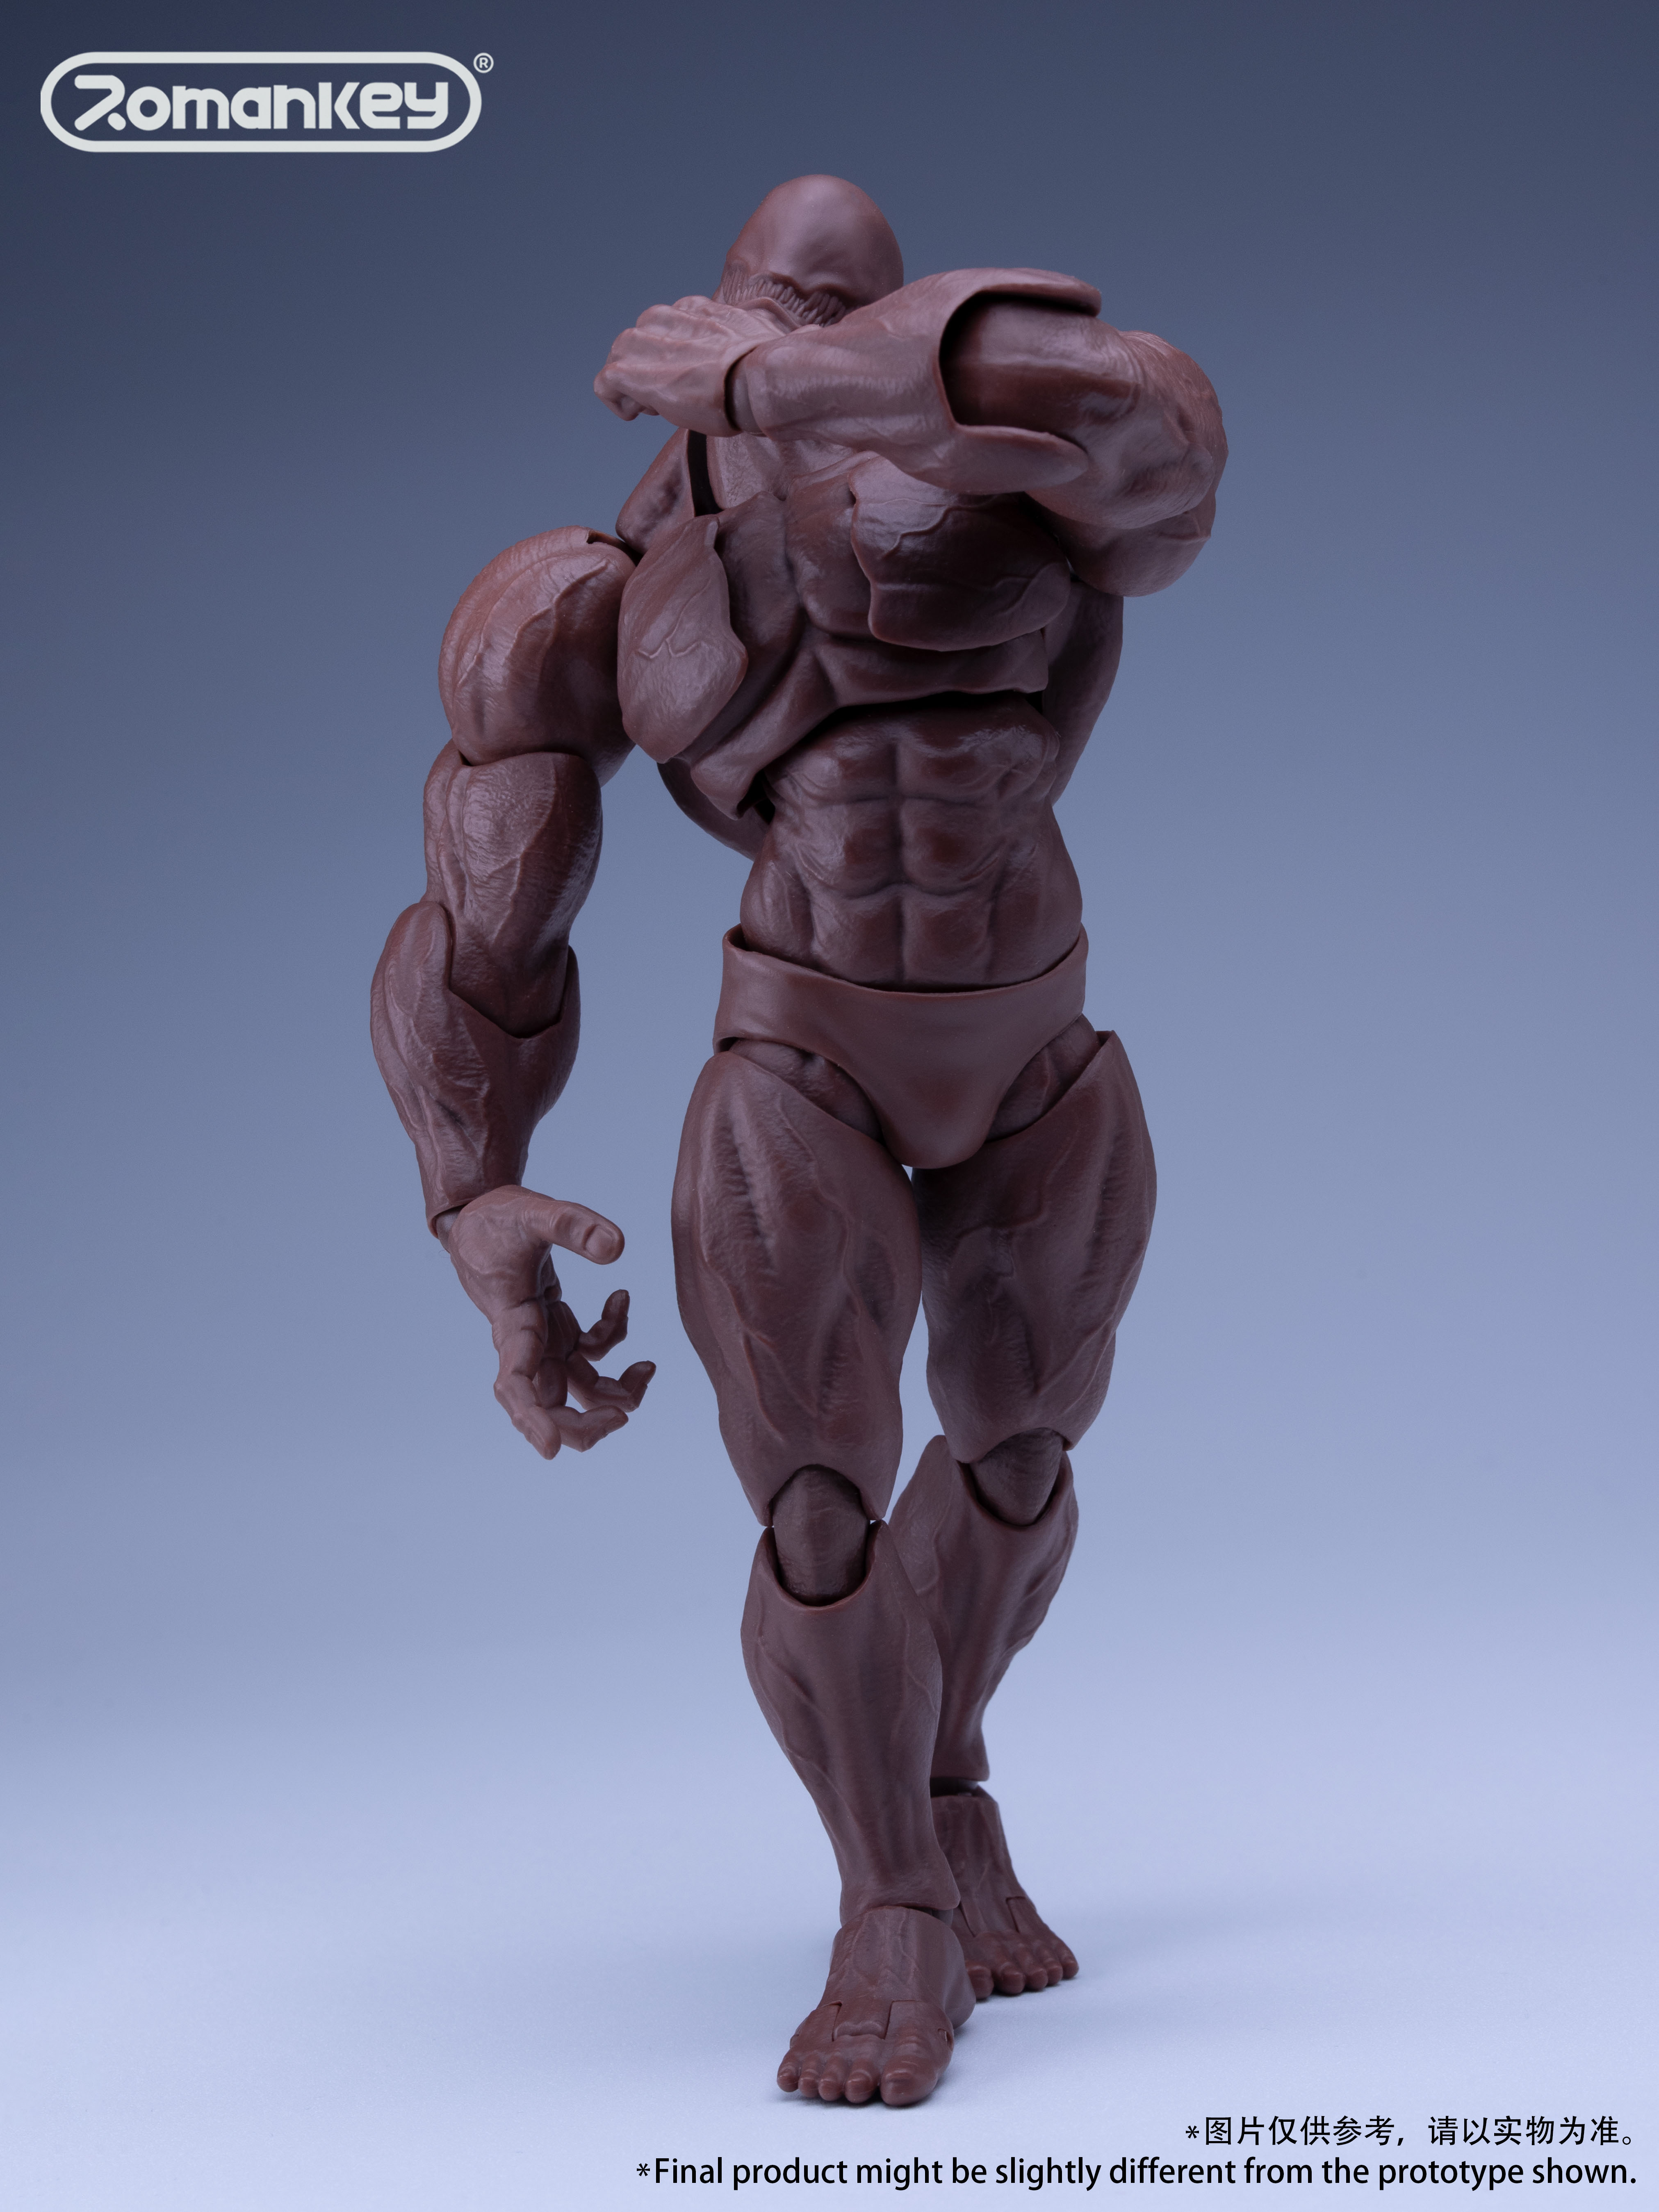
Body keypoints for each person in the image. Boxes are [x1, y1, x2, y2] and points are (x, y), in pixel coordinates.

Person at [372, 175, 1226, 2106]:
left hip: (1033, 1031)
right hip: (803, 1044)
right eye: (770, 296)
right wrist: (468, 1189)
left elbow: (1160, 418)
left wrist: (782, 386)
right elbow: (482, 913)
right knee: (819, 1499)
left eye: (839, 305)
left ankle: (939, 1778)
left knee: (1018, 1455)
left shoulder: (1007, 467)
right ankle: (890, 1901)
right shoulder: (593, 590)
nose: (801, 311)